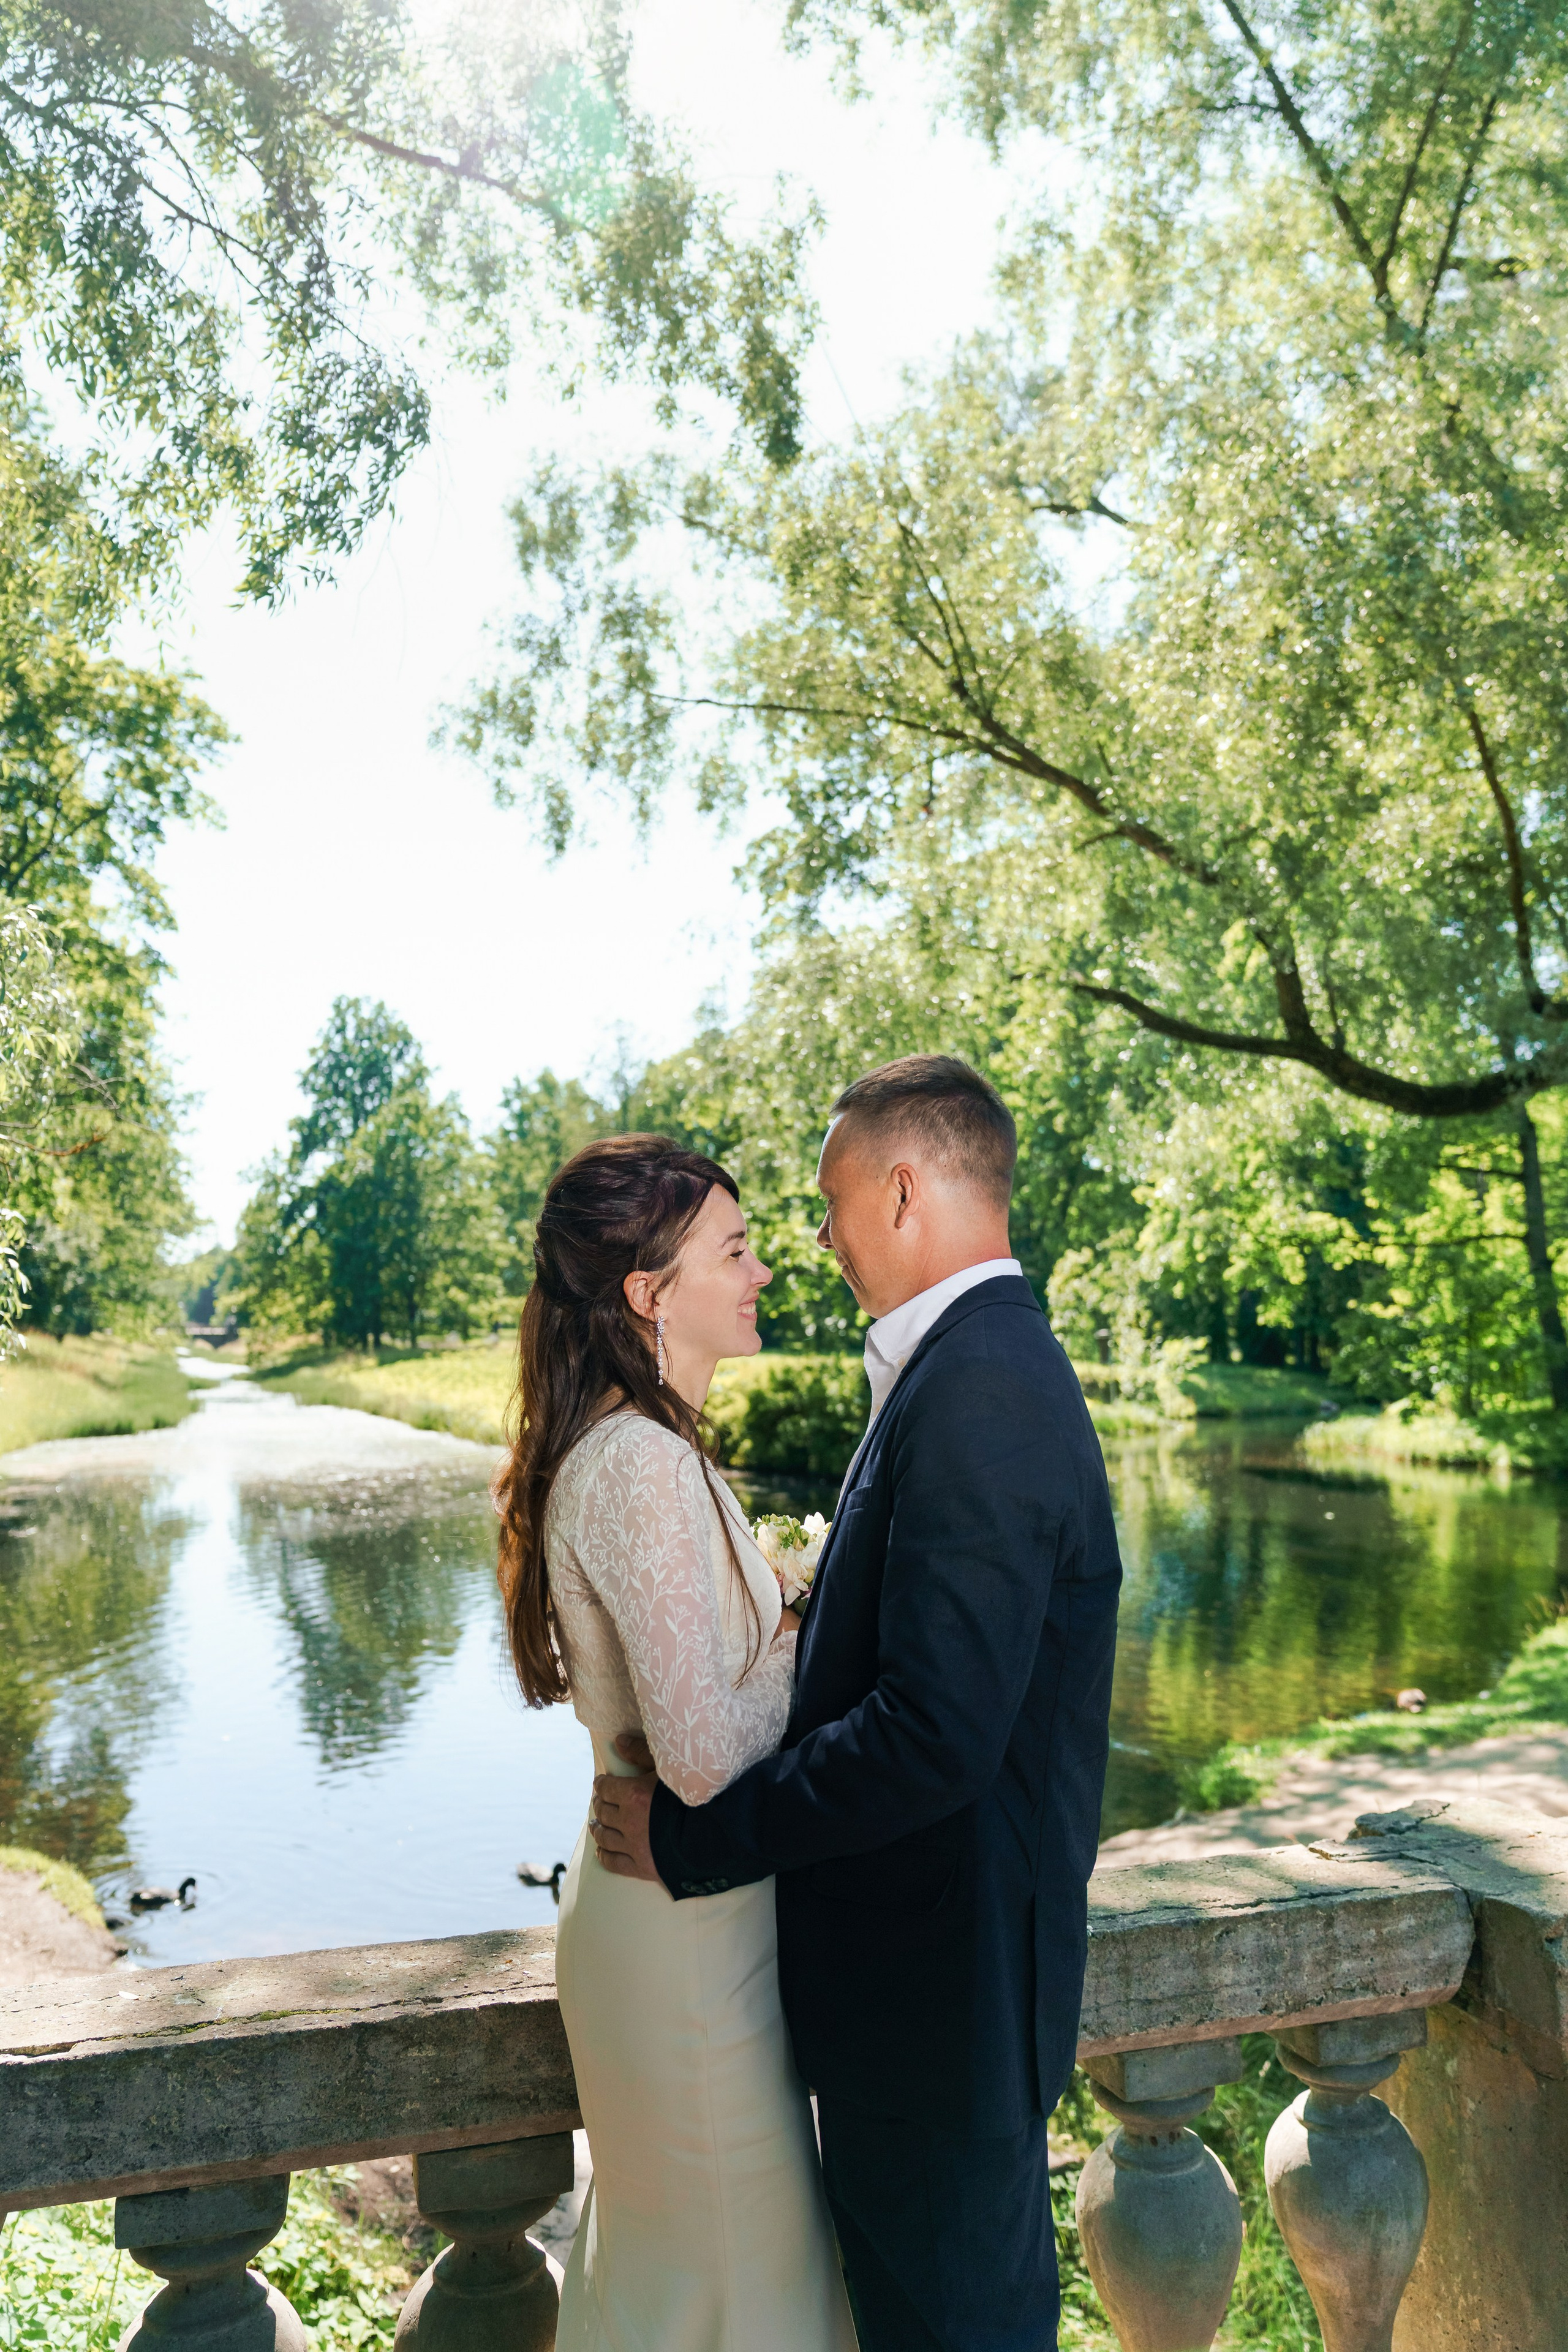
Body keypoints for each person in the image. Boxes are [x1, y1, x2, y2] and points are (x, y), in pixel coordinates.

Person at [592, 1056, 1123, 2352]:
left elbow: (931, 1734)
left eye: (827, 1202)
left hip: (936, 2019)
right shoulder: (966, 1368)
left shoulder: (983, 1387)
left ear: (899, 1191)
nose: (814, 1239)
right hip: (919, 2010)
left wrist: (695, 1839)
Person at [493, 1133, 858, 2352]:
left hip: (681, 1919)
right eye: (737, 1250)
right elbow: (699, 1756)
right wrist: (811, 1632)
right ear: (648, 1293)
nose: (764, 1272)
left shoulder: (643, 1447)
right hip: (684, 1936)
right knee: (737, 2286)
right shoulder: (641, 1464)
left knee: (696, 2276)